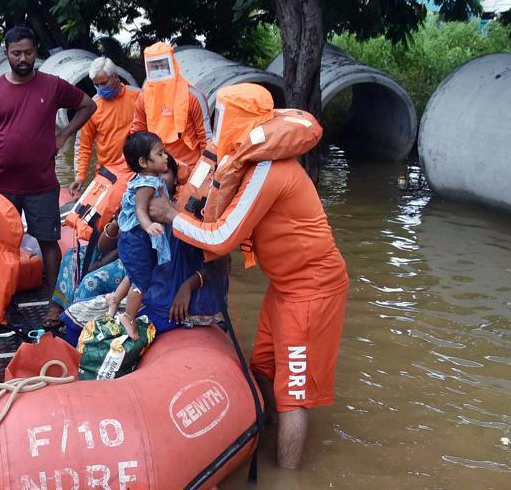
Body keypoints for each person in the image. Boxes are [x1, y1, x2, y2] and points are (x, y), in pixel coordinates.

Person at [148, 85, 348, 469]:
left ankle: (288, 477)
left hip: (312, 288)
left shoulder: (268, 171)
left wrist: (172, 217)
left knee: (292, 393)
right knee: (263, 367)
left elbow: (223, 238)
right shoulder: (252, 163)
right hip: (286, 284)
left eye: (222, 118)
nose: (217, 127)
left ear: (238, 120)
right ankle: (262, 439)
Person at [0, 26, 96, 307]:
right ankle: (2, 300)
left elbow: (88, 105)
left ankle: (56, 303)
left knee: (48, 242)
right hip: (2, 184)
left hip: (42, 184)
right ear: (6, 55)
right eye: (16, 53)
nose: (23, 58)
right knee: (5, 244)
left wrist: (64, 135)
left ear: (35, 52)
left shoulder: (52, 85)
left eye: (28, 52)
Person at [115, 132, 173, 339]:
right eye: (160, 153)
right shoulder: (146, 184)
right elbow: (140, 209)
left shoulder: (150, 178)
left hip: (134, 239)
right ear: (143, 161)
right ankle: (128, 317)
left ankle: (115, 299)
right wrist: (148, 226)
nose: (166, 156)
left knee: (136, 275)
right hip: (136, 239)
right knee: (142, 281)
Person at [131, 42, 210, 169]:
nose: (159, 70)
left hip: (190, 167)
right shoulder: (143, 97)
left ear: (172, 64)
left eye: (162, 65)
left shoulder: (193, 96)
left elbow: (206, 139)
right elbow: (137, 135)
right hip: (157, 168)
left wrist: (203, 172)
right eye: (154, 66)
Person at [69, 57, 140, 196]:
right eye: (96, 84)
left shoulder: (138, 97)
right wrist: (80, 177)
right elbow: (83, 145)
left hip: (137, 170)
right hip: (108, 173)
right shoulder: (91, 107)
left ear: (115, 77)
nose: (100, 88)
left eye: (103, 83)